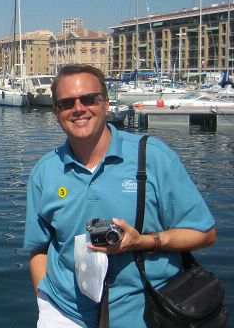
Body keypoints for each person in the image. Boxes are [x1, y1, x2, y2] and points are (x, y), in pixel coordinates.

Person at [23, 63, 216, 327]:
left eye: (89, 99)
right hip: (65, 312)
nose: (78, 108)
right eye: (66, 103)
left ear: (106, 104)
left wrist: (144, 241)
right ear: (56, 112)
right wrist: (44, 300)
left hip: (147, 313)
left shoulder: (153, 157)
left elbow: (204, 234)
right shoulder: (45, 172)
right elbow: (38, 248)